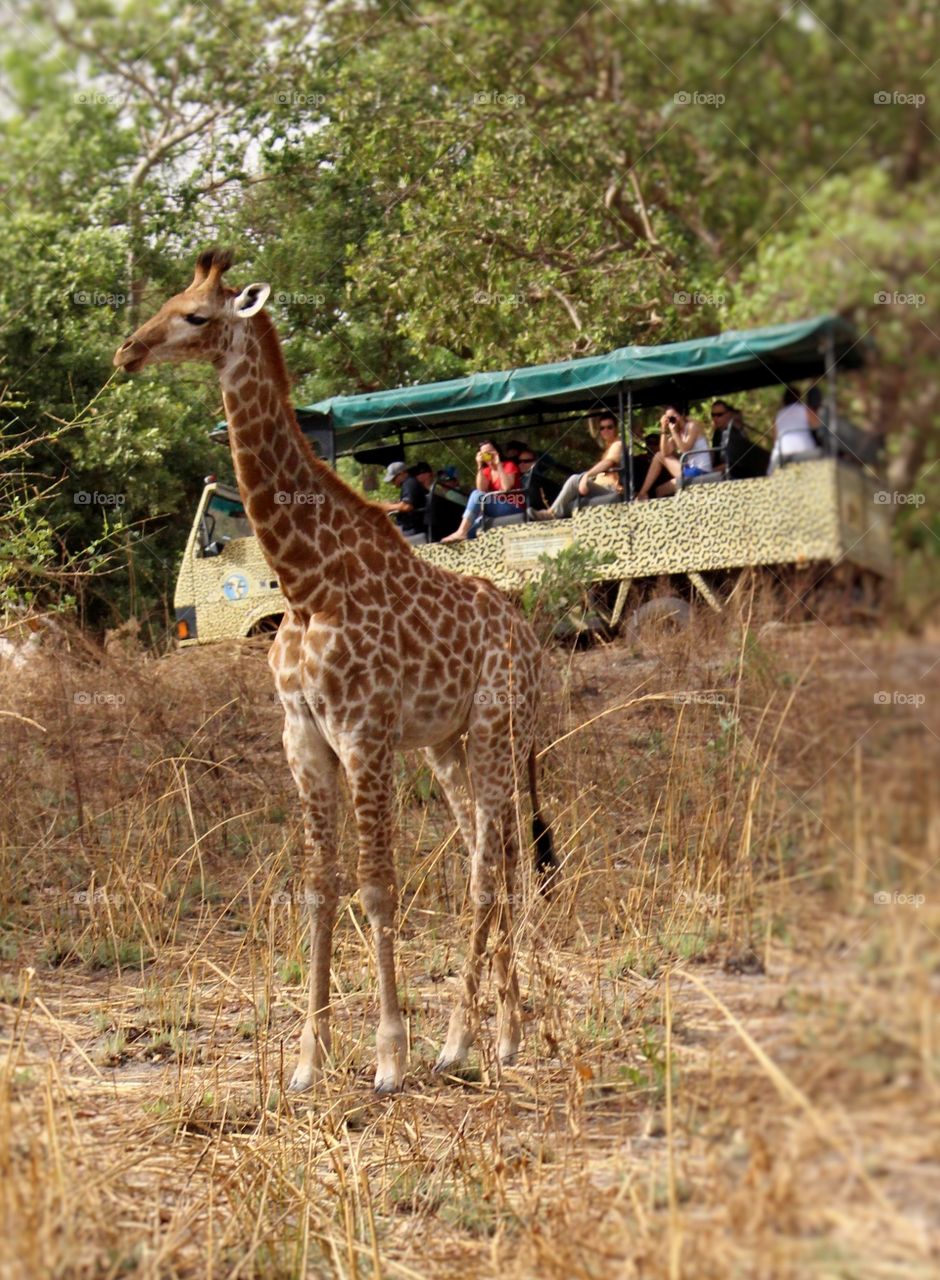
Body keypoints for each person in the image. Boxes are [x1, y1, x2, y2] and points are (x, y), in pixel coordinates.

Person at [534, 414, 622, 520]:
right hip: (600, 488)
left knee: (575, 479)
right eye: (602, 428)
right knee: (569, 500)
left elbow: (608, 462)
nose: (605, 430)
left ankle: (550, 514)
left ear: (616, 428)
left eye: (609, 427)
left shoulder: (618, 444)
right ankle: (552, 515)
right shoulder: (608, 448)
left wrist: (586, 475)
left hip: (610, 489)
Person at [440, 441, 522, 541]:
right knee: (472, 529)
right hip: (493, 509)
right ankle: (462, 536)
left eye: (491, 452)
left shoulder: (509, 465)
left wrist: (498, 464)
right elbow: (481, 489)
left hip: (513, 506)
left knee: (476, 495)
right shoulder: (486, 471)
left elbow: (506, 487)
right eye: (486, 454)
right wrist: (479, 465)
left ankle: (461, 531)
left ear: (497, 452)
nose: (489, 456)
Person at [634, 403, 713, 499]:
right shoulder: (677, 432)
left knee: (662, 489)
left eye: (674, 417)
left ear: (682, 415)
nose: (672, 421)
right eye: (669, 418)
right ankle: (643, 493)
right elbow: (664, 453)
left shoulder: (692, 426)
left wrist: (674, 432)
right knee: (660, 490)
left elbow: (685, 449)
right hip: (690, 470)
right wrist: (663, 429)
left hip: (700, 471)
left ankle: (642, 494)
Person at [769, 385, 822, 472]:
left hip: (781, 456)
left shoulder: (778, 415)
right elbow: (819, 426)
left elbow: (775, 440)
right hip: (804, 452)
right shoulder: (805, 410)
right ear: (799, 398)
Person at [377, 460, 428, 538]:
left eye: (393, 479)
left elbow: (407, 506)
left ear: (402, 474)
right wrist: (394, 504)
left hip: (413, 528)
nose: (392, 482)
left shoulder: (409, 483)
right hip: (409, 526)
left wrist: (384, 507)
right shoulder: (409, 483)